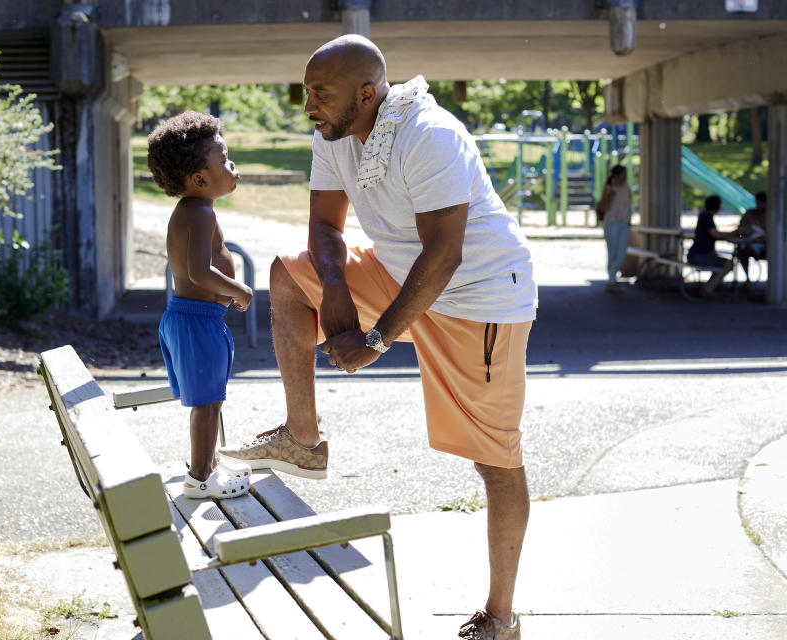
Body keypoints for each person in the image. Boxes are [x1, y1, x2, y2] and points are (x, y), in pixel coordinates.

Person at [219, 35, 536, 639]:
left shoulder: (429, 135)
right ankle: (303, 437)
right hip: (399, 271)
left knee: (495, 461)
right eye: (306, 91)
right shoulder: (333, 134)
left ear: (367, 94)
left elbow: (444, 255)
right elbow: (322, 225)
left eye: (321, 93)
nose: (308, 104)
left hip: (480, 296)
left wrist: (376, 338)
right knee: (290, 273)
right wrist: (334, 286)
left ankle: (501, 617)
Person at [146, 111, 254, 499]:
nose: (232, 166)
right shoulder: (201, 211)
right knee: (207, 405)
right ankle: (200, 479)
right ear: (200, 179)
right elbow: (198, 272)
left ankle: (205, 468)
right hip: (196, 322)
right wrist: (240, 290)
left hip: (194, 318)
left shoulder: (194, 210)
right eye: (224, 160)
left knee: (211, 399)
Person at [687, 194, 736, 297]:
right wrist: (734, 232)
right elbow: (715, 234)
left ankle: (708, 287)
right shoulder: (707, 217)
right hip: (699, 256)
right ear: (717, 207)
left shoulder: (703, 215)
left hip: (696, 254)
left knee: (722, 264)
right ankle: (708, 290)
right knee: (728, 264)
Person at [595, 165, 631, 293]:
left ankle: (612, 279)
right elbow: (602, 206)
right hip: (612, 223)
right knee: (612, 253)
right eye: (622, 175)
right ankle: (611, 281)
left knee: (621, 253)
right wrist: (609, 197)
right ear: (616, 176)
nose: (624, 178)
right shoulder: (609, 188)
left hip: (624, 224)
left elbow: (629, 205)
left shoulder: (627, 189)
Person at [734, 191, 767, 284]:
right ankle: (747, 280)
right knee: (742, 251)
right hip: (750, 244)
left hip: (765, 247)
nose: (759, 205)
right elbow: (740, 229)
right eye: (758, 203)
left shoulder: (771, 215)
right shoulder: (750, 213)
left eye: (761, 203)